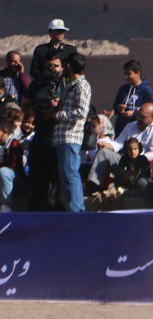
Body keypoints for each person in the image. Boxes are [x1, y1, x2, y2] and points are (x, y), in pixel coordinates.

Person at [52, 53, 91, 212]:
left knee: (70, 174)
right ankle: (70, 209)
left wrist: (59, 115)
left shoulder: (82, 85)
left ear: (68, 65)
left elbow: (82, 111)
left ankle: (78, 210)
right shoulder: (71, 85)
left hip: (71, 136)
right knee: (65, 176)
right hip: (62, 136)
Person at [25, 54, 65, 211]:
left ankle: (61, 214)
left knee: (61, 178)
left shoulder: (66, 83)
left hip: (60, 136)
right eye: (49, 65)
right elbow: (26, 104)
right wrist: (34, 111)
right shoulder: (37, 84)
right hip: (41, 135)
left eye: (55, 65)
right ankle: (38, 214)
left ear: (62, 67)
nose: (52, 69)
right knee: (38, 179)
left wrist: (58, 106)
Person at [111, 60, 153, 134]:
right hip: (121, 128)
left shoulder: (146, 90)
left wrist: (135, 113)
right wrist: (119, 108)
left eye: (129, 74)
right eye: (125, 74)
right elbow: (116, 106)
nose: (126, 77)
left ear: (138, 73)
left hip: (138, 129)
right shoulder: (123, 89)